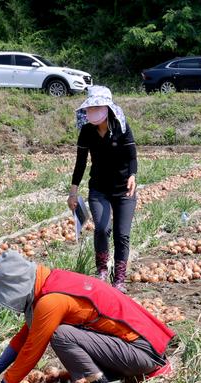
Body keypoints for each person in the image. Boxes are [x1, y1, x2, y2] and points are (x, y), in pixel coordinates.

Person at [0, 251, 173, 383]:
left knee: (61, 335)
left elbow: (33, 348)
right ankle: (113, 382)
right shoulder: (51, 283)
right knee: (62, 332)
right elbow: (26, 334)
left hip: (143, 353)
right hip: (140, 349)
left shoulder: (51, 301)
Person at [70, 85, 138, 292]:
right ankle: (101, 271)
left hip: (124, 190)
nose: (93, 110)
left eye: (98, 106)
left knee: (121, 234)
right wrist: (73, 190)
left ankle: (119, 279)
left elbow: (132, 156)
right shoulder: (87, 131)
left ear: (107, 107)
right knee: (101, 228)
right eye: (91, 107)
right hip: (99, 188)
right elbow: (80, 162)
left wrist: (133, 175)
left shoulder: (121, 126)